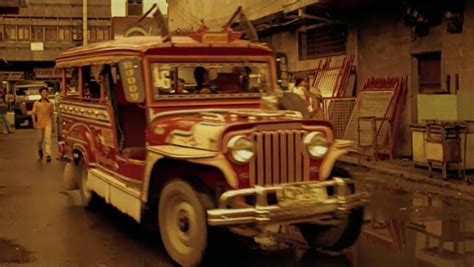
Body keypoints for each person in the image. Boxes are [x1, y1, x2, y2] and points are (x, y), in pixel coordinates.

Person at [32, 87, 54, 162]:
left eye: (46, 92)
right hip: (39, 123)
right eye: (43, 92)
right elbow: (33, 114)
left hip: (48, 122)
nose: (45, 93)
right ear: (40, 93)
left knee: (48, 139)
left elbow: (52, 115)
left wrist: (53, 125)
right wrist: (34, 122)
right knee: (39, 140)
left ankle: (48, 155)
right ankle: (40, 149)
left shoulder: (50, 103)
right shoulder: (37, 103)